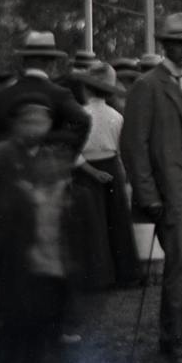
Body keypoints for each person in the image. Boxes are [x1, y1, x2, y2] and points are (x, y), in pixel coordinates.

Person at [119, 12, 182, 363]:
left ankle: (170, 339)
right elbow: (134, 146)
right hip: (167, 194)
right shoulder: (147, 86)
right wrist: (148, 195)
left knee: (181, 267)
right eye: (179, 44)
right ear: (165, 45)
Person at [0, 95, 77, 363]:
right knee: (14, 323)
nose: (35, 126)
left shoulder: (49, 155)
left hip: (49, 259)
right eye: (28, 120)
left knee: (43, 325)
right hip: (14, 257)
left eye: (41, 120)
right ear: (16, 124)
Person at [68, 62, 140, 289]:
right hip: (112, 167)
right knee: (116, 220)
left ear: (86, 89)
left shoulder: (79, 115)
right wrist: (123, 173)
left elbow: (72, 152)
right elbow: (121, 149)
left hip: (86, 169)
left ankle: (96, 276)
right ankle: (123, 273)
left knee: (93, 222)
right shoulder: (116, 116)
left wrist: (92, 171)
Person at [0, 31, 91, 156]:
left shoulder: (1, 95)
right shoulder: (61, 94)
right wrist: (67, 154)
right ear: (51, 63)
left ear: (24, 62)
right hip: (46, 163)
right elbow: (83, 121)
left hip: (7, 163)